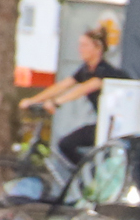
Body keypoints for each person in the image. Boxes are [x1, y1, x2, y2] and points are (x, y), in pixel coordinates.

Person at [20, 24, 133, 170]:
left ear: (97, 48)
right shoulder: (85, 70)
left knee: (68, 144)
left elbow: (85, 88)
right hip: (105, 123)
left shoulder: (105, 71)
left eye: (85, 45)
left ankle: (91, 175)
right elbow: (62, 86)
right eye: (80, 45)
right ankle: (87, 174)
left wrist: (56, 102)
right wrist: (33, 100)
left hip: (118, 125)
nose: (80, 49)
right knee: (65, 145)